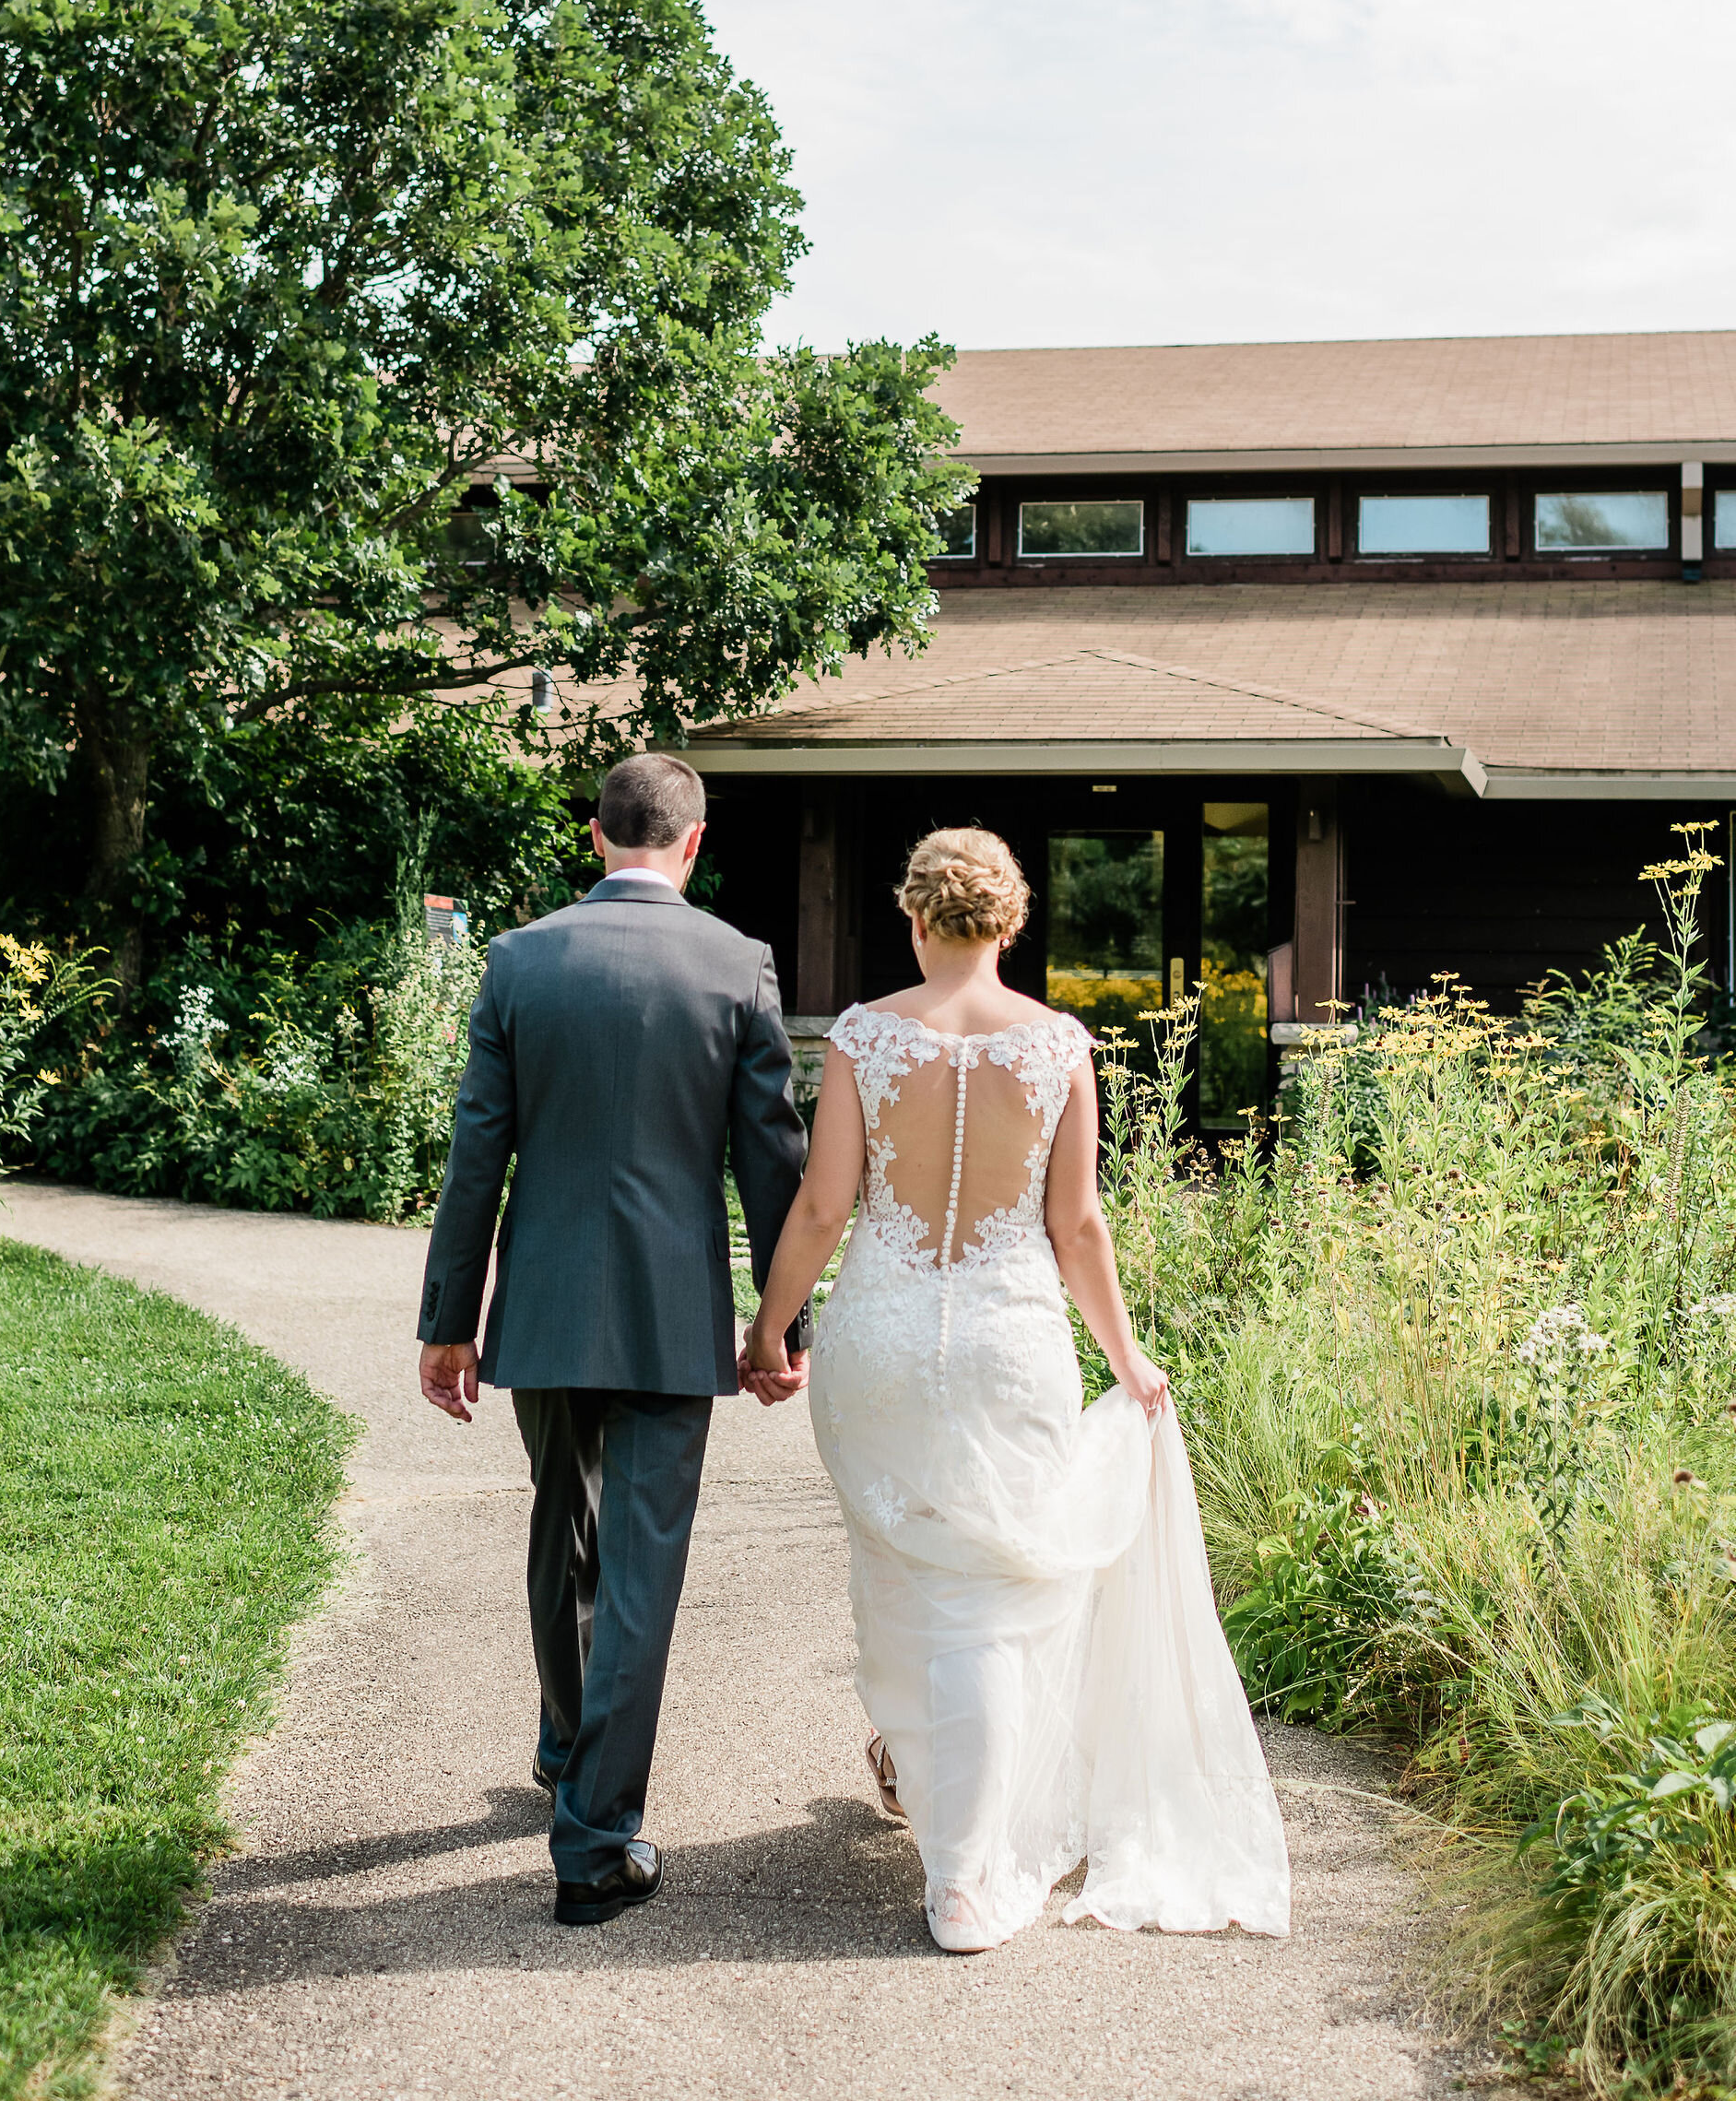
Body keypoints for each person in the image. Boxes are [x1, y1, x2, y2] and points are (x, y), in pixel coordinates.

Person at [743, 826, 1291, 1953]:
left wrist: (766, 1327)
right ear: (1010, 923)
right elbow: (1074, 1224)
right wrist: (1126, 1355)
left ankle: (928, 1793)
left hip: (883, 1339)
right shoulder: (1056, 1046)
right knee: (992, 1598)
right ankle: (961, 1872)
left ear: (913, 916)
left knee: (901, 1575)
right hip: (1008, 1340)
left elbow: (819, 1208)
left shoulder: (860, 1036)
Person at [416, 752, 809, 1928]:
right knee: (641, 1564)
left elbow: (475, 1154)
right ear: (692, 844)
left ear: (595, 836)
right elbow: (770, 1163)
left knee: (561, 1519)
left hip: (539, 1306)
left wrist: (448, 1325)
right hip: (666, 1314)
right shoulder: (736, 965)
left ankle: (564, 1748)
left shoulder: (519, 959)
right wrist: (780, 1322)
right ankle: (591, 1843)